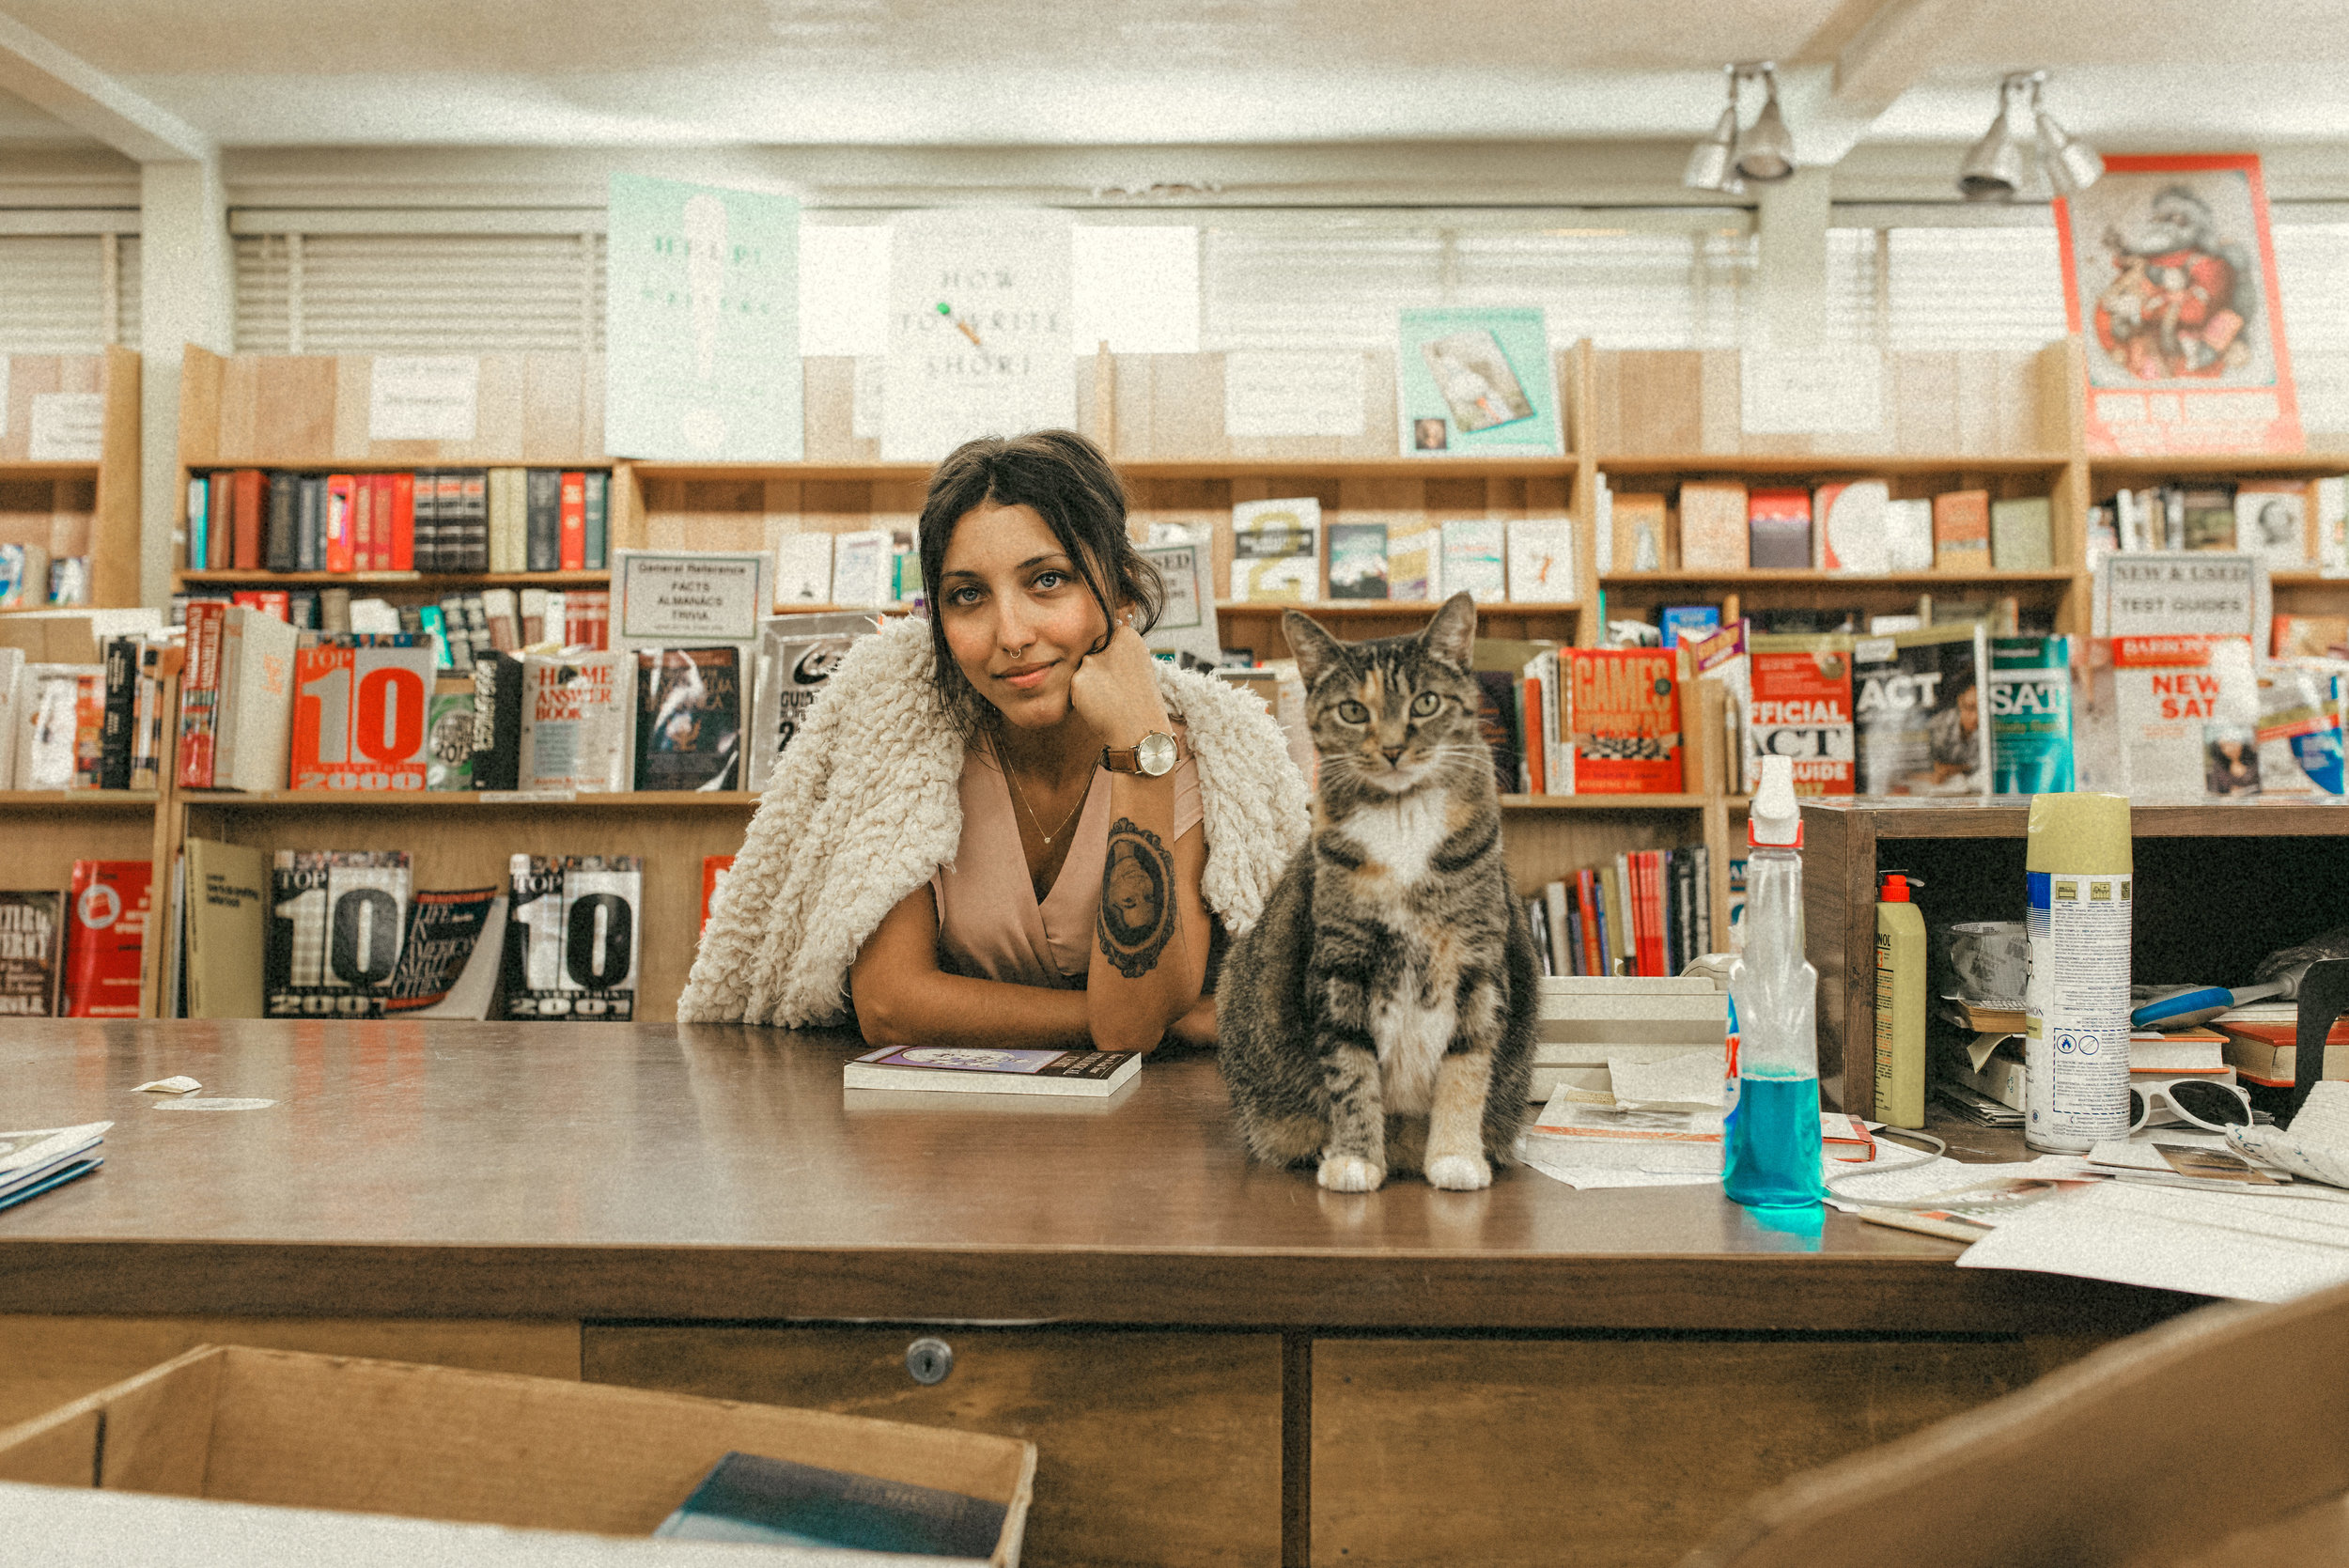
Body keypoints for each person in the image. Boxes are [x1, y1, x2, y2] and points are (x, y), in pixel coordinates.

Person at [679, 430, 1310, 1052]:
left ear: (1119, 590)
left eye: (1047, 581)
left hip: (1151, 1114)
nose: (1011, 635)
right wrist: (1145, 1019)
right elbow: (891, 1005)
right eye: (968, 595)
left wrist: (1140, 744)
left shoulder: (1198, 749)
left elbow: (1128, 1027)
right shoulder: (908, 729)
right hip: (927, 1112)